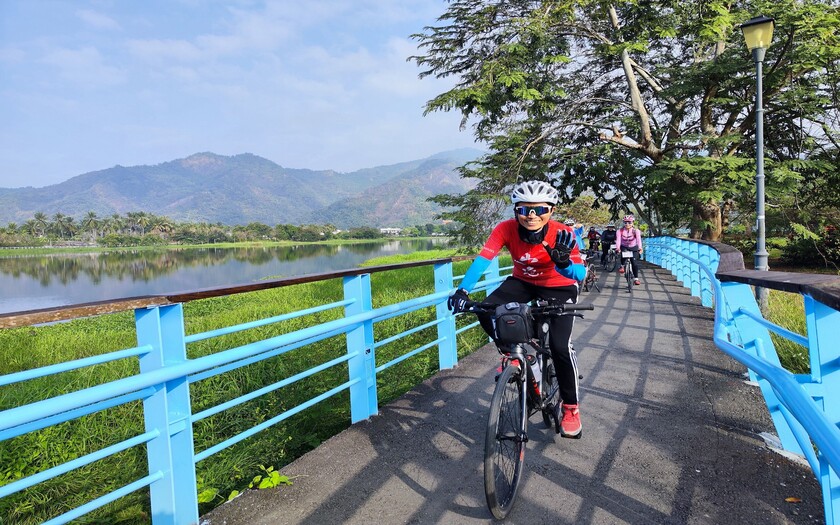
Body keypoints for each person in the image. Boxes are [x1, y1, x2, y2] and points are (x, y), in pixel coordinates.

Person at [447, 180, 587, 438]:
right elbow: (483, 260)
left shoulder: (562, 232)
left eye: (540, 210)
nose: (532, 216)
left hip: (559, 286)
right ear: (516, 211)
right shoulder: (505, 229)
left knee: (559, 347)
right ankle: (512, 353)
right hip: (523, 282)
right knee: (485, 308)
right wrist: (463, 290)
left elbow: (579, 273)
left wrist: (564, 263)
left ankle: (570, 408)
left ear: (551, 211)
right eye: (524, 210)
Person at [616, 215, 643, 285]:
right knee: (623, 255)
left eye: (629, 222)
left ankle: (636, 278)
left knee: (634, 263)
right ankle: (622, 266)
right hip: (624, 246)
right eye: (625, 222)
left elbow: (639, 240)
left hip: (633, 247)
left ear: (633, 223)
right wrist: (617, 248)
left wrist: (640, 248)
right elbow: (618, 240)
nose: (627, 224)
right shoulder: (620, 231)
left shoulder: (636, 231)